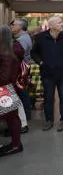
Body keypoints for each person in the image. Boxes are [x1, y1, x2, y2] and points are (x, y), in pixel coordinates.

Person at [31, 16, 63, 132]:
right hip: (47, 74)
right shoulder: (40, 38)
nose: (62, 24)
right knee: (48, 97)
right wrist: (41, 62)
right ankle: (49, 120)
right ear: (51, 26)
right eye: (60, 23)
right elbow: (34, 53)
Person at [0, 25, 25, 157]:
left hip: (4, 89)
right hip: (10, 88)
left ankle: (16, 145)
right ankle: (16, 144)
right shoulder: (13, 48)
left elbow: (4, 76)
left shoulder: (5, 53)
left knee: (12, 117)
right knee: (12, 117)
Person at [10, 19, 32, 134]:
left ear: (21, 27)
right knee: (21, 92)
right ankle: (26, 115)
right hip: (21, 68)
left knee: (21, 92)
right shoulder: (21, 38)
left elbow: (17, 56)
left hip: (20, 69)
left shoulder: (22, 39)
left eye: (13, 25)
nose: (11, 27)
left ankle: (26, 116)